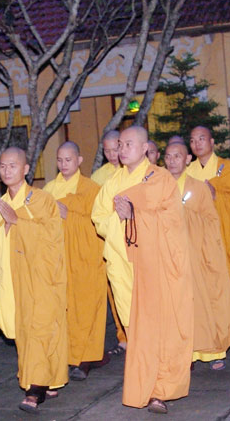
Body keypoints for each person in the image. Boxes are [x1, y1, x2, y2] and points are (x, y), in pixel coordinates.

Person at [92, 126, 193, 414]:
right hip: (121, 263)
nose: (122, 149)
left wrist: (134, 216)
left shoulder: (160, 179)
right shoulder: (112, 182)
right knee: (135, 329)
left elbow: (172, 220)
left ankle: (159, 390)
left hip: (154, 264)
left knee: (158, 326)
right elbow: (98, 218)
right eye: (120, 144)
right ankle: (145, 383)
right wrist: (120, 218)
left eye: (128, 144)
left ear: (145, 148)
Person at [0, 147, 68, 414]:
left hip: (42, 276)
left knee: (41, 329)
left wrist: (18, 222)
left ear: (26, 169)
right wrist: (8, 225)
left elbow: (53, 237)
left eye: (13, 165)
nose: (7, 170)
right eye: (2, 166)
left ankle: (35, 389)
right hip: (14, 279)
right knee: (26, 333)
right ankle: (47, 378)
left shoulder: (42, 200)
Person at [164, 142, 230, 371]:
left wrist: (185, 214)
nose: (172, 161)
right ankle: (185, 354)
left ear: (187, 159)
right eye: (168, 156)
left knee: (204, 303)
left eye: (177, 156)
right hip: (171, 256)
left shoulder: (198, 188)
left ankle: (212, 351)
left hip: (197, 255)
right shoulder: (160, 187)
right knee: (177, 307)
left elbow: (211, 221)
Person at [185, 126, 230, 354]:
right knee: (208, 289)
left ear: (212, 142)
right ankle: (213, 335)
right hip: (201, 241)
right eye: (193, 140)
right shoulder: (187, 173)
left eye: (201, 139)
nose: (197, 144)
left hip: (228, 236)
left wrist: (217, 196)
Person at [43, 141, 107, 381]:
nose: (63, 164)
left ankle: (85, 358)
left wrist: (69, 215)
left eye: (68, 160)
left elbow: (98, 223)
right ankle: (66, 355)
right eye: (60, 160)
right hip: (58, 258)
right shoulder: (49, 190)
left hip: (85, 258)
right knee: (64, 309)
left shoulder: (92, 189)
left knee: (87, 307)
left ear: (79, 160)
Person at [90, 129, 127, 355]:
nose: (112, 155)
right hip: (110, 239)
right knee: (115, 291)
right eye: (107, 151)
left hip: (134, 238)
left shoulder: (132, 170)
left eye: (116, 149)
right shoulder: (98, 177)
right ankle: (123, 337)